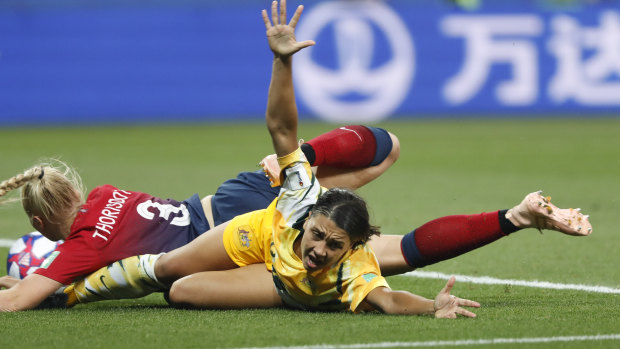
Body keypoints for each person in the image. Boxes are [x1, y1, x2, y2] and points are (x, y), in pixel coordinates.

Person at [55, 0, 591, 317]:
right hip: (253, 230)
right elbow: (282, 128)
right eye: (319, 238)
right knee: (168, 270)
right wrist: (282, 66)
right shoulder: (296, 204)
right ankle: (61, 289)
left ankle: (517, 216)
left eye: (334, 246)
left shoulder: (351, 265)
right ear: (310, 218)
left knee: (184, 292)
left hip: (276, 280)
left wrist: (432, 306)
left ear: (352, 247)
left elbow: (392, 291)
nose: (320, 250)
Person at [0, 120, 399, 311]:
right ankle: (308, 153)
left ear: (38, 225)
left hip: (225, 241)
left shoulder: (83, 246)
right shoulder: (105, 194)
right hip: (234, 195)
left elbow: (22, 299)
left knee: (348, 260)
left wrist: (28, 282)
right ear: (75, 191)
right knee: (385, 152)